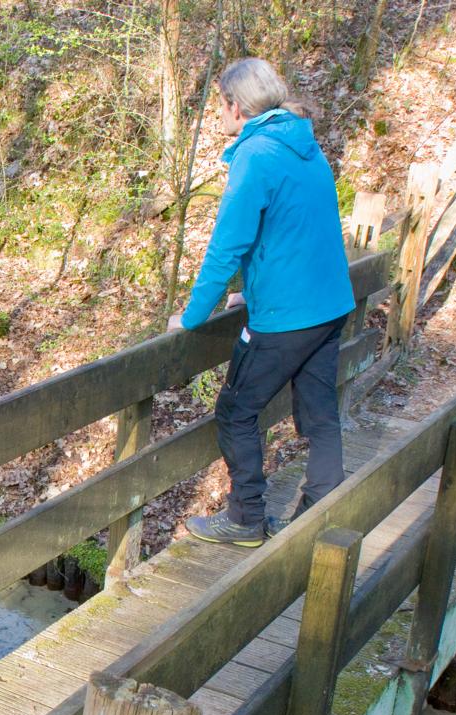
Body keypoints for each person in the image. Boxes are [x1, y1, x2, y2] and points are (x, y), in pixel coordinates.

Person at [167, 57, 354, 548]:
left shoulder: (255, 156)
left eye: (220, 106)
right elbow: (298, 229)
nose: (218, 116)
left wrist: (191, 318)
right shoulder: (304, 145)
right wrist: (252, 289)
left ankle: (246, 517)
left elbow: (226, 247)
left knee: (235, 410)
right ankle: (322, 513)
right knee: (319, 413)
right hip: (329, 305)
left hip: (287, 319)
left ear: (236, 106)